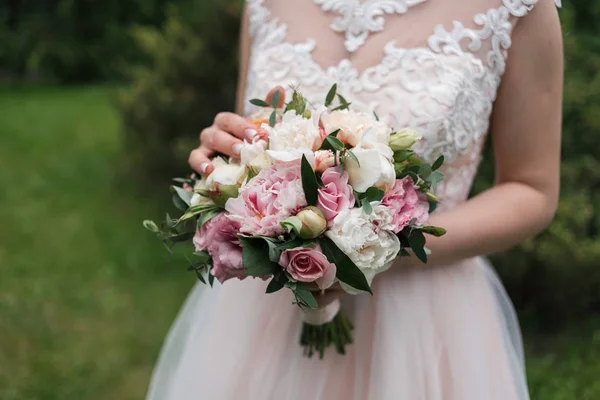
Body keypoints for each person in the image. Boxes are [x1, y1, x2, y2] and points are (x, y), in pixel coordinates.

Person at [147, 0, 563, 399]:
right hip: (266, 308)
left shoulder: (517, 5)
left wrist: (362, 253)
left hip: (422, 318)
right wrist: (225, 160)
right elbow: (255, 132)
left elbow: (532, 189)